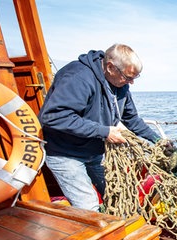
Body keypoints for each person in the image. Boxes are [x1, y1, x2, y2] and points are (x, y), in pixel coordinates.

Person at [39, 43, 160, 211]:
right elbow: (54, 116)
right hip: (65, 153)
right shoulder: (78, 77)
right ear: (110, 67)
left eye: (135, 78)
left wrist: (158, 140)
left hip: (94, 151)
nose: (131, 83)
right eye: (128, 76)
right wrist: (104, 131)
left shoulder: (121, 85)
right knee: (88, 206)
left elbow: (132, 120)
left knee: (120, 195)